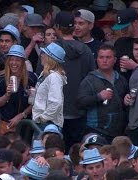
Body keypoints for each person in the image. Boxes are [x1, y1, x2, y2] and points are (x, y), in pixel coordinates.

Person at [53, 11, 95, 151]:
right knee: (77, 152)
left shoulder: (49, 50)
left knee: (55, 153)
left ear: (57, 27)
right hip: (79, 111)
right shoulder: (86, 50)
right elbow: (92, 79)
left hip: (54, 113)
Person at [77, 44, 128, 142]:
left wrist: (127, 101)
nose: (104, 60)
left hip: (119, 132)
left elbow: (123, 104)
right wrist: (99, 97)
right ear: (97, 59)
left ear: (115, 60)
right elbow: (80, 102)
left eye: (108, 57)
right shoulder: (89, 80)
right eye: (101, 57)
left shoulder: (121, 79)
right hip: (96, 130)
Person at [0, 45, 37, 135]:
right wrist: (7, 95)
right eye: (11, 60)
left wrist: (21, 115)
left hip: (26, 123)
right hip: (7, 123)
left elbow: (36, 102)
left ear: (23, 62)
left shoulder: (31, 78)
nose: (14, 63)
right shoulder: (0, 78)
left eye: (17, 60)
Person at [32, 42, 67, 131]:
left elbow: (56, 102)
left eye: (44, 54)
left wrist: (44, 118)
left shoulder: (54, 77)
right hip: (42, 123)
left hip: (48, 124)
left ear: (50, 58)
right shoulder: (45, 74)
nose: (41, 56)